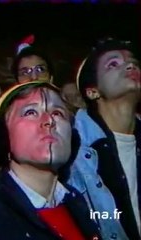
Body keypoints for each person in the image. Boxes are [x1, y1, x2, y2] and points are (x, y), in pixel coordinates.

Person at [0, 81, 101, 240]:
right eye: (30, 112)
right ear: (3, 137)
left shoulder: (77, 202)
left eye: (58, 113)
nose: (49, 121)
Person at [67, 37, 141, 239]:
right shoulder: (73, 147)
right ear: (92, 91)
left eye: (133, 61)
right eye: (113, 64)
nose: (130, 65)